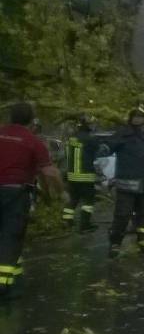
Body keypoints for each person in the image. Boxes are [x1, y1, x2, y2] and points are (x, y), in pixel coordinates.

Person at [0, 103, 63, 297]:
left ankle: (14, 277)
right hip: (15, 193)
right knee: (11, 236)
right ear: (31, 120)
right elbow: (49, 173)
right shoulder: (33, 142)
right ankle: (2, 284)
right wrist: (60, 193)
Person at [107, 105, 144, 258]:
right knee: (122, 215)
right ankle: (115, 244)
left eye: (140, 116)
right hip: (126, 185)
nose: (136, 118)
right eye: (134, 116)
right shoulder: (123, 134)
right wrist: (103, 148)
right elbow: (108, 146)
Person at [63, 115, 101, 232]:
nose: (93, 126)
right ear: (87, 125)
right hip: (85, 175)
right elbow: (97, 153)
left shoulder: (72, 138)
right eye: (91, 124)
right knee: (88, 201)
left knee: (73, 199)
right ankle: (84, 225)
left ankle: (66, 221)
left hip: (71, 175)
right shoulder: (91, 139)